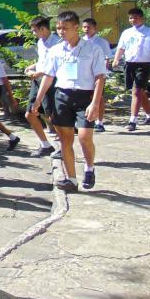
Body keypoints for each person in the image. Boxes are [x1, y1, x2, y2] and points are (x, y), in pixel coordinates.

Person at [31, 11, 106, 191]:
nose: (61, 32)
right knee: (65, 140)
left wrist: (95, 104)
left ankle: (89, 168)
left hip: (84, 97)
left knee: (84, 137)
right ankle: (71, 179)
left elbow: (100, 78)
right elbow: (49, 76)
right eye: (58, 28)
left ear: (76, 27)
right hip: (62, 96)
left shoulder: (93, 49)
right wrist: (38, 100)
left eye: (65, 28)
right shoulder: (56, 50)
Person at [111, 8, 150, 131]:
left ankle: (132, 121)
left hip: (144, 65)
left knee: (136, 92)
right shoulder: (126, 33)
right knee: (139, 91)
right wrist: (116, 59)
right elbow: (121, 47)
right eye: (131, 18)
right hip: (130, 64)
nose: (133, 20)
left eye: (135, 18)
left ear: (142, 18)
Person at [23, 16, 61, 157]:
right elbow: (43, 61)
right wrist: (32, 67)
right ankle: (45, 145)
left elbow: (56, 66)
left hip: (50, 81)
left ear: (43, 29)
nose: (33, 33)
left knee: (52, 116)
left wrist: (40, 72)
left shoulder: (57, 42)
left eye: (35, 30)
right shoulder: (40, 42)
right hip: (38, 80)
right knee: (30, 113)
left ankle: (64, 148)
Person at [81, 18, 112, 132]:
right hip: (84, 74)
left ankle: (100, 122)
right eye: (84, 27)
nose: (86, 29)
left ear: (95, 28)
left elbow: (107, 58)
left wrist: (102, 73)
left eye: (88, 27)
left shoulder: (101, 42)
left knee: (99, 97)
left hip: (98, 74)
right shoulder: (80, 41)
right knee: (85, 96)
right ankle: (86, 120)